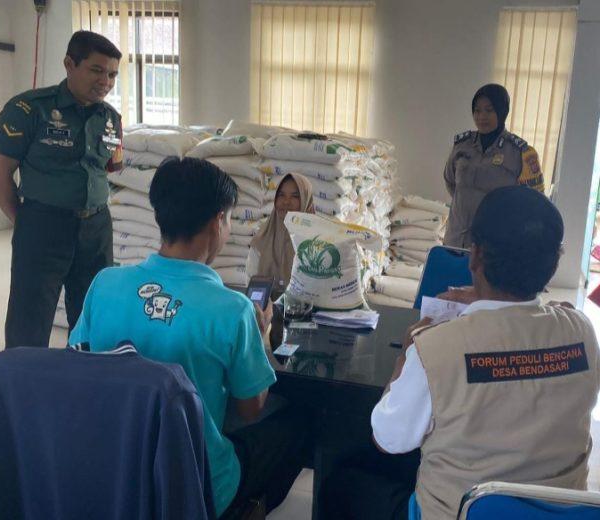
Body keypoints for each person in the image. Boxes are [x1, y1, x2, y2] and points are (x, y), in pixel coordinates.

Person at [323, 186, 600, 520]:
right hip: (558, 512)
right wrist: (491, 304)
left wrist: (406, 353)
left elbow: (388, 440)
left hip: (456, 513)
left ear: (475, 255)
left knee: (341, 482)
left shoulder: (436, 348)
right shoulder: (582, 332)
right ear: (553, 264)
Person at [69, 157, 310, 518]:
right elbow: (251, 409)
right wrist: (259, 336)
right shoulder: (233, 310)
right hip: (195, 480)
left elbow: (77, 362)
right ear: (218, 221)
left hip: (116, 465)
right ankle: (243, 510)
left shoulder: (104, 284)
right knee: (298, 425)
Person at [0, 31, 123, 348]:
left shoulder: (110, 119)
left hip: (96, 228)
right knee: (30, 318)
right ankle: (25, 379)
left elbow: (110, 169)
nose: (105, 81)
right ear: (69, 64)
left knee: (92, 315)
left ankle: (84, 374)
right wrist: (26, 221)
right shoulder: (28, 109)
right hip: (43, 224)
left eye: (112, 74)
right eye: (97, 70)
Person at [443, 83, 545, 248]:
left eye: (489, 110)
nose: (482, 116)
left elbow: (533, 202)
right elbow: (450, 182)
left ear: (502, 111)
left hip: (493, 244)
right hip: (455, 239)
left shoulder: (520, 153)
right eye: (477, 110)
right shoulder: (462, 146)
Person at [246, 173, 314, 292]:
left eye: (295, 196)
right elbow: (251, 283)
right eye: (281, 195)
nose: (286, 202)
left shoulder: (316, 243)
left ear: (306, 201)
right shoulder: (262, 239)